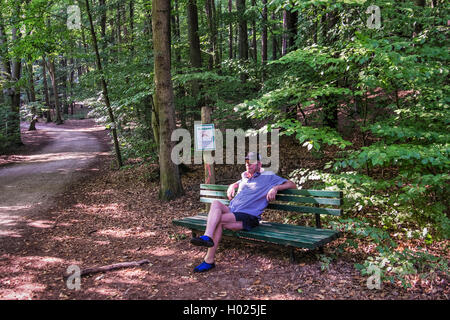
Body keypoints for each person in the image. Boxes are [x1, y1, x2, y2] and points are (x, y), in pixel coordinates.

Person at [190, 152, 297, 272]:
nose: (248, 165)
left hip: (248, 216)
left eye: (251, 163)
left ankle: (208, 259)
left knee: (218, 221)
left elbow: (292, 185)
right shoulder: (245, 176)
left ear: (259, 164)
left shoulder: (268, 176)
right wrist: (233, 185)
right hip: (233, 211)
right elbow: (241, 183)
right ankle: (207, 237)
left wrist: (275, 188)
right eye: (246, 163)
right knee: (215, 204)